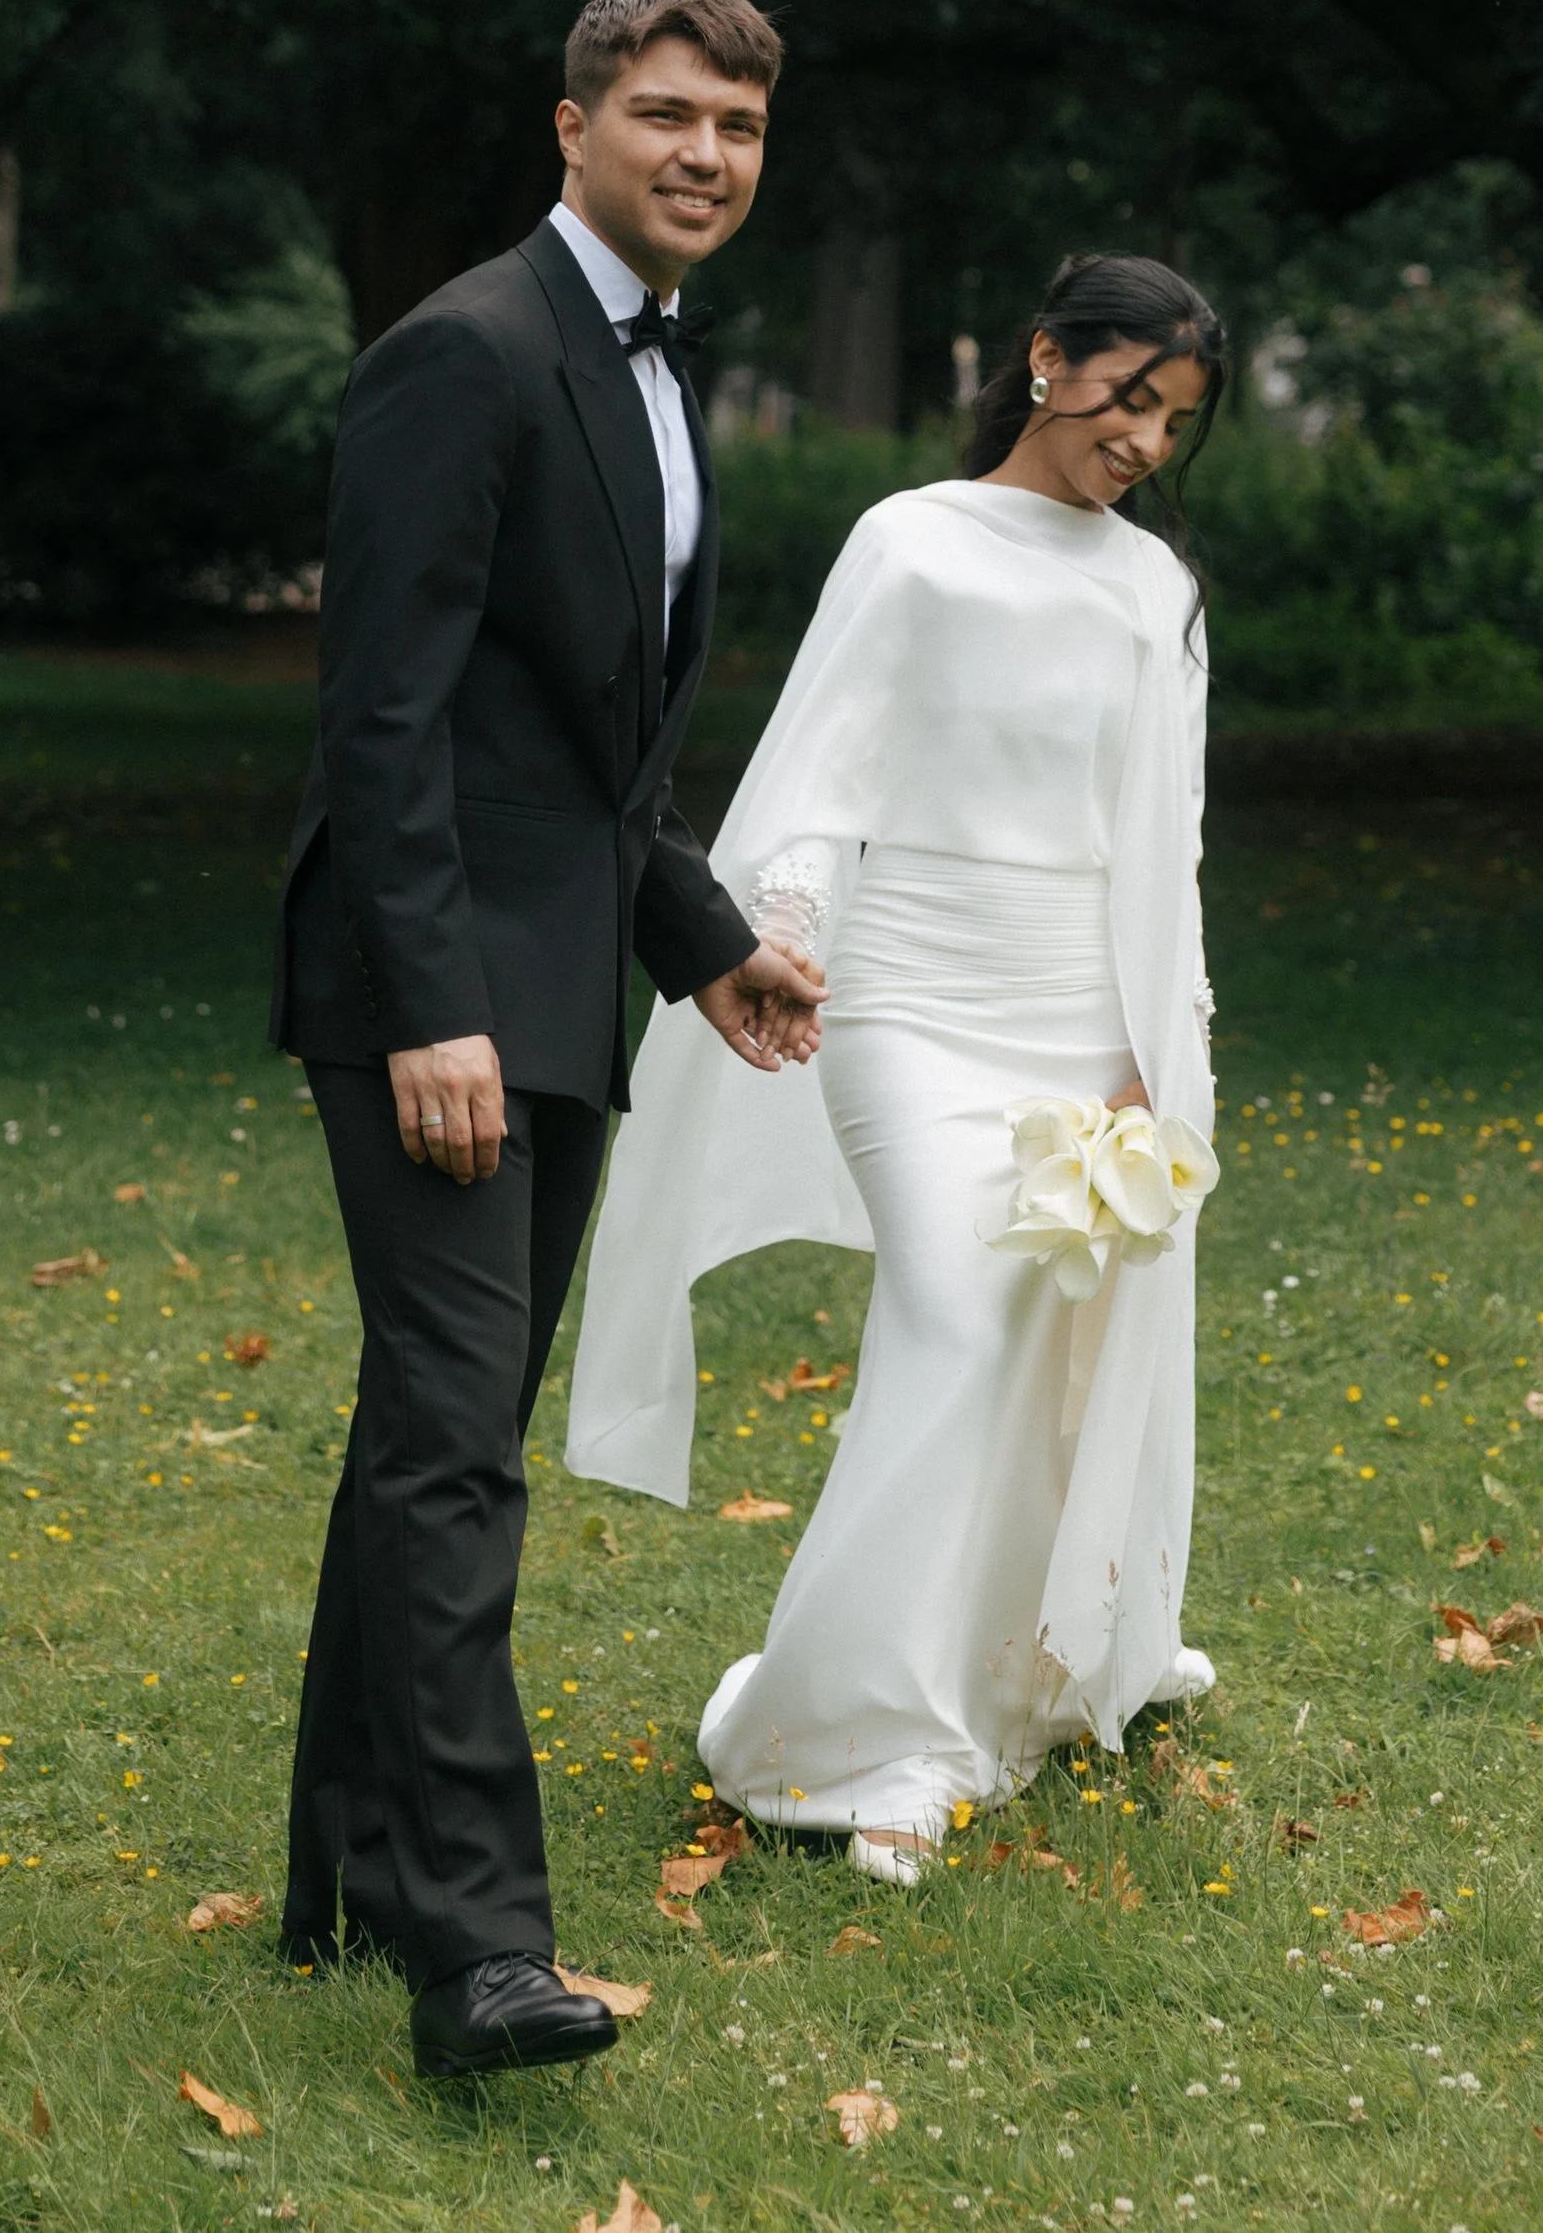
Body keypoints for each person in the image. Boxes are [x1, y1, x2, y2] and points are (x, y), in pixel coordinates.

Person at [270, 0, 827, 2074]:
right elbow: (383, 716)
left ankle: (347, 1871)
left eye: (740, 127)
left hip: (566, 981)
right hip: (429, 991)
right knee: (450, 1449)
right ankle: (479, 1951)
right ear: (575, 125)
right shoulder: (466, 349)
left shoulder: (651, 365)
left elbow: (591, 740)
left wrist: (700, 934)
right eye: (669, 113)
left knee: (441, 1438)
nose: (707, 154)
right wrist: (430, 1008)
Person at [567, 252, 1226, 1885]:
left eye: (1176, 420)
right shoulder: (912, 541)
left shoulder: (1158, 590)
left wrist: (1157, 1049)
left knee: (1057, 1334)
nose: (1143, 440)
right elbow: (820, 772)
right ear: (1046, 357)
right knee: (948, 1310)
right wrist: (781, 935)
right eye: (1128, 395)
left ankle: (1056, 1645)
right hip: (911, 1002)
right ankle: (861, 1737)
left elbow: (1172, 841)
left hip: (1081, 1012)